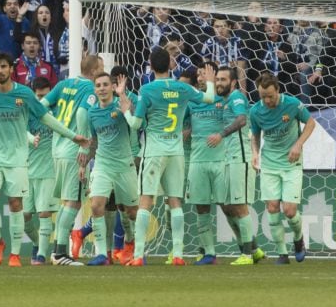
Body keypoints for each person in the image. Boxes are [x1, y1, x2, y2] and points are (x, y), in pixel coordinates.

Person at [0, 53, 89, 267]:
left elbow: (46, 117)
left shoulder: (24, 94)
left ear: (11, 69)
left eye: (3, 66)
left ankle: (15, 254)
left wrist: (72, 135)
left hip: (19, 159)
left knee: (16, 204)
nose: (0, 70)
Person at [120, 49, 216, 266]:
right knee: (175, 201)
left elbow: (135, 124)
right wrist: (209, 81)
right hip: (176, 151)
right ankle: (179, 255)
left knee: (146, 201)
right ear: (171, 65)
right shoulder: (183, 87)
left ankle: (138, 256)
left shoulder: (147, 89)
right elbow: (209, 98)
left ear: (151, 66)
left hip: (154, 150)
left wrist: (126, 110)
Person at [40, 55, 104, 265]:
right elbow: (83, 114)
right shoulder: (89, 89)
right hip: (73, 151)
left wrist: (56, 126)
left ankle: (60, 251)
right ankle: (59, 253)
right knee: (74, 201)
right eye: (101, 69)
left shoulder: (63, 84)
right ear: (94, 71)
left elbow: (41, 106)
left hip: (57, 149)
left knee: (67, 202)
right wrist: (84, 143)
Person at [249, 72, 316, 264]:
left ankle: (298, 240)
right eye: (263, 96)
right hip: (269, 163)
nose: (267, 100)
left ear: (278, 90)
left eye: (270, 95)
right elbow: (255, 135)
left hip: (290, 164)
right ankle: (282, 253)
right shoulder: (255, 111)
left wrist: (298, 145)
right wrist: (255, 153)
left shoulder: (292, 104)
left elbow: (311, 123)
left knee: (289, 210)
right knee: (271, 207)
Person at [79, 72, 140, 266]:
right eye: (98, 85)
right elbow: (94, 140)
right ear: (95, 89)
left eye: (106, 84)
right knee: (97, 205)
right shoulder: (92, 113)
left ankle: (131, 242)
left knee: (131, 212)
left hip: (124, 164)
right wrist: (85, 162)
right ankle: (101, 254)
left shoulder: (121, 105)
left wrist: (122, 96)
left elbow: (136, 119)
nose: (102, 88)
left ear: (112, 87)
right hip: (103, 164)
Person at [216, 66, 265, 265]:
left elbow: (242, 119)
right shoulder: (225, 101)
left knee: (239, 205)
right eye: (217, 79)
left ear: (233, 82)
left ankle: (247, 254)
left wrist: (221, 134)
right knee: (227, 207)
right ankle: (254, 248)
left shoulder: (236, 98)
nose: (219, 83)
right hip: (229, 158)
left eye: (223, 80)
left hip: (241, 158)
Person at [184, 61, 226, 265]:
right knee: (201, 207)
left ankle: (249, 247)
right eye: (199, 74)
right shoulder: (191, 101)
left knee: (230, 206)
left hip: (222, 160)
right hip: (197, 160)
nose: (201, 78)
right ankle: (209, 253)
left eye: (205, 74)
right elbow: (181, 126)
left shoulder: (224, 99)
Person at [24, 76, 60, 265]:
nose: (41, 101)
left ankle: (41, 255)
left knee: (44, 213)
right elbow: (21, 131)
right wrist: (31, 138)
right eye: (38, 96)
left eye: (45, 96)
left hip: (48, 169)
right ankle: (39, 243)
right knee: (24, 217)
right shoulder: (28, 113)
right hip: (28, 170)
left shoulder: (56, 113)